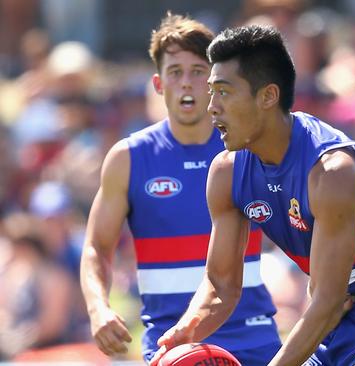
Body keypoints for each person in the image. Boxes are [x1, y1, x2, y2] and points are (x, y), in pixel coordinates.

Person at [150, 25, 355, 366]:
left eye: (224, 93)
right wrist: (186, 331)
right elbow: (221, 287)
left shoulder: (332, 172)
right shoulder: (226, 172)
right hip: (328, 319)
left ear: (268, 96)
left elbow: (329, 301)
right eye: (211, 92)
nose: (211, 106)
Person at [79, 13, 281, 364]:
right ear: (159, 84)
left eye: (198, 71)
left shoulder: (250, 152)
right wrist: (98, 309)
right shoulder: (129, 158)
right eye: (175, 72)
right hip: (172, 345)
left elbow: (303, 223)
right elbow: (97, 247)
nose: (186, 83)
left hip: (254, 339)